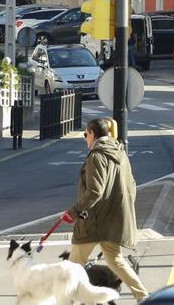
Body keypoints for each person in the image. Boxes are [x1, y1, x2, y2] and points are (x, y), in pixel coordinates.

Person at [62, 117, 149, 302]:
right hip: (114, 220)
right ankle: (143, 297)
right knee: (115, 260)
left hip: (94, 221)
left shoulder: (97, 156)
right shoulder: (120, 153)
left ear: (93, 133)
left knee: (74, 266)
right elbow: (132, 185)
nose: (85, 138)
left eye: (86, 134)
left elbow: (95, 191)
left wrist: (74, 211)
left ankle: (66, 301)